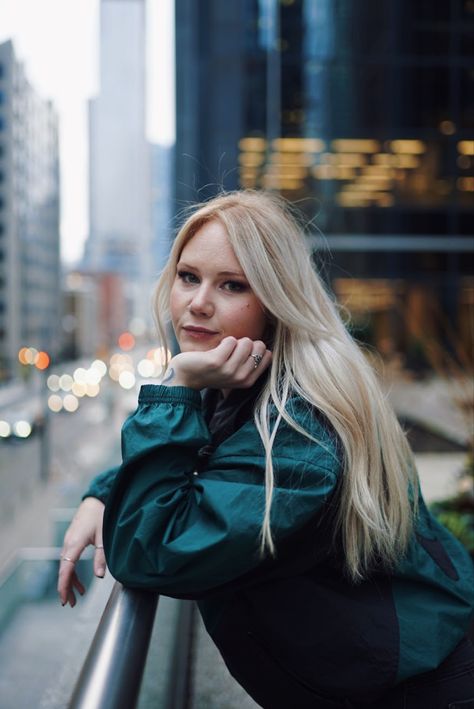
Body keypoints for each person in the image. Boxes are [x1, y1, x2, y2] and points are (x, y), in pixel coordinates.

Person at [58, 190, 474, 708]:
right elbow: (206, 459)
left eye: (232, 285)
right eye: (189, 277)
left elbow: (152, 551)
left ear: (276, 302)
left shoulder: (301, 427)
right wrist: (103, 492)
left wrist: (178, 385)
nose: (198, 302)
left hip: (419, 691)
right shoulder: (245, 383)